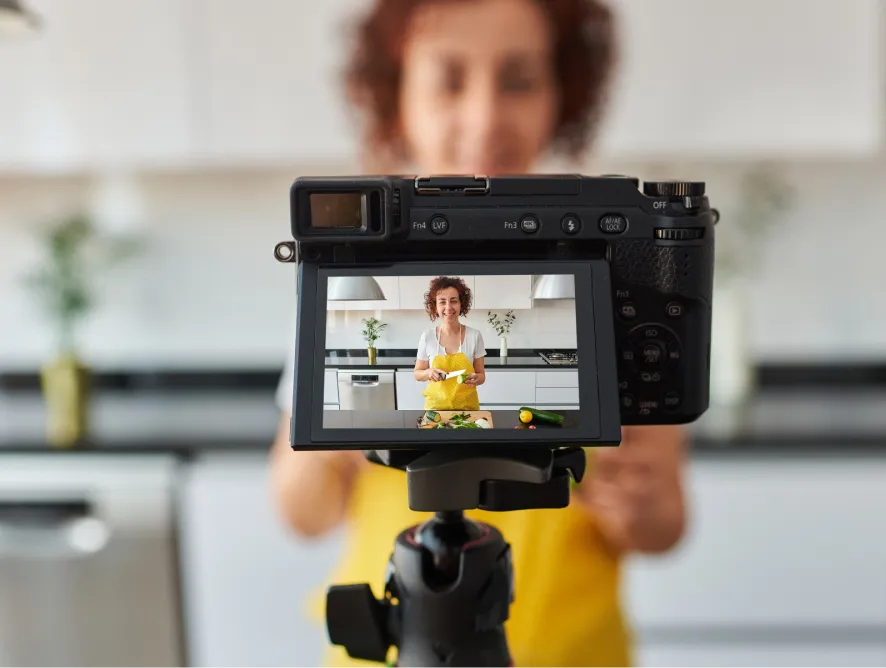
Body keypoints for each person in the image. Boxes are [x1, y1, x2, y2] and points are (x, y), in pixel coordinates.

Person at [269, 1, 689, 666]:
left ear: (562, 91)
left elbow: (666, 521)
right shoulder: (359, 272)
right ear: (396, 94)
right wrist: (336, 437)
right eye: (449, 79)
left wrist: (643, 510)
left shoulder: (618, 269)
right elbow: (299, 510)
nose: (486, 117)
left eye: (519, 81)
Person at [413, 276, 487, 411]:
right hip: (435, 409)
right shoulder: (427, 337)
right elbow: (417, 374)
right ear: (435, 306)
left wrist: (477, 378)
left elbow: (482, 376)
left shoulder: (474, 336)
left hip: (467, 409)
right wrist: (429, 372)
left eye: (454, 301)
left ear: (461, 304)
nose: (448, 307)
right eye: (442, 302)